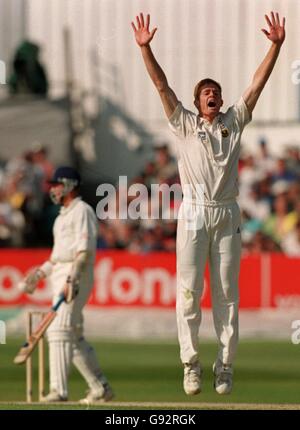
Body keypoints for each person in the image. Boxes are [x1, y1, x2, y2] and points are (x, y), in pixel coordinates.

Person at [131, 11, 285, 395]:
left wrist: (276, 46)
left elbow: (256, 85)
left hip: (227, 212)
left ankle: (225, 365)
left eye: (216, 91)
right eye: (206, 93)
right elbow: (161, 86)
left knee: (227, 294)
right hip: (195, 212)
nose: (213, 95)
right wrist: (146, 49)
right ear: (199, 100)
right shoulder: (185, 124)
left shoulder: (234, 121)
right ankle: (191, 363)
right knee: (188, 290)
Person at [18, 166, 113, 403]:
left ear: (70, 185)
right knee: (73, 336)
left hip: (75, 275)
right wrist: (39, 274)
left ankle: (59, 391)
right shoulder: (61, 216)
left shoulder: (83, 210)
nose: (53, 189)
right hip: (60, 275)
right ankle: (100, 388)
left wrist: (73, 279)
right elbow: (55, 257)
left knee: (58, 330)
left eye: (57, 184)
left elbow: (84, 251)